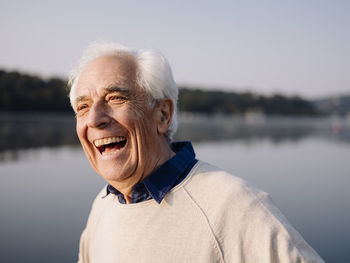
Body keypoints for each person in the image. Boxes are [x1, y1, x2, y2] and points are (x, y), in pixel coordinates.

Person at [68, 41, 324, 263]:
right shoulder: (103, 205)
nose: (94, 119)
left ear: (163, 114)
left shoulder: (234, 205)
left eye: (115, 98)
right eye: (83, 107)